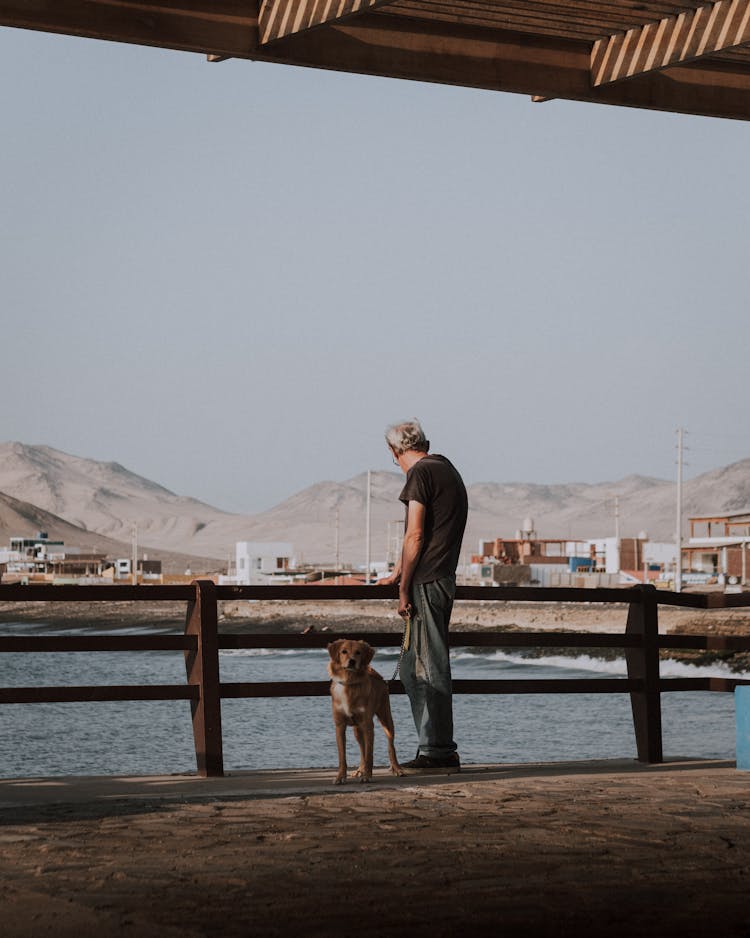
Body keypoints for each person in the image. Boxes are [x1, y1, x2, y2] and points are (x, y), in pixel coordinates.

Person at [382, 419, 468, 771]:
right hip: (441, 577)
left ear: (393, 452)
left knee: (424, 667)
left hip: (427, 583)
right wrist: (400, 571)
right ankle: (434, 747)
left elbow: (415, 536)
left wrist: (402, 589)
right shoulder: (447, 469)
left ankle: (437, 751)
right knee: (416, 666)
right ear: (426, 442)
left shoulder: (419, 475)